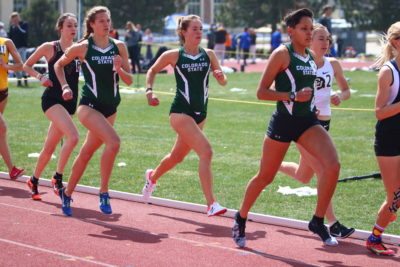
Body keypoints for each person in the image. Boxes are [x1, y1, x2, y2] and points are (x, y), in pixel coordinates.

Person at [232, 8, 340, 248]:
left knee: (332, 166)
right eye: (304, 29)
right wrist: (292, 95)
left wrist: (311, 104)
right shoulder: (282, 54)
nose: (309, 33)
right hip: (283, 122)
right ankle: (241, 216)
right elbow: (261, 92)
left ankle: (318, 220)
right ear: (290, 31)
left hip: (306, 123)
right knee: (265, 177)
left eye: (311, 29)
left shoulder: (311, 57)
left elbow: (308, 91)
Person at [142, 15, 228, 217]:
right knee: (206, 152)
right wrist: (149, 91)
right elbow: (152, 70)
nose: (199, 33)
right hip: (180, 112)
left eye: (201, 29)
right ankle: (211, 204)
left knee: (177, 157)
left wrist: (221, 77)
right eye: (195, 29)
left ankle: (152, 177)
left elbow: (223, 81)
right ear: (184, 32)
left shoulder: (209, 54)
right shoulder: (174, 55)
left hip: (201, 114)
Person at [54, 6, 132, 216]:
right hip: (89, 106)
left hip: (111, 107)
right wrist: (65, 86)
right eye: (101, 21)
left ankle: (67, 192)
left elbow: (130, 80)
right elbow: (58, 66)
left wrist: (119, 69)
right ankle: (104, 192)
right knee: (114, 142)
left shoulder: (119, 46)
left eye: (108, 20)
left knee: (87, 152)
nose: (106, 24)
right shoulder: (82, 47)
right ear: (91, 24)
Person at [279, 23, 353, 239]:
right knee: (323, 171)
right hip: (306, 124)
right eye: (320, 38)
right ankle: (332, 223)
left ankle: (272, 166)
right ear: (309, 40)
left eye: (327, 39)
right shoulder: (303, 65)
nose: (325, 43)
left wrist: (340, 96)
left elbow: (346, 90)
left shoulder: (334, 64)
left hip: (325, 124)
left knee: (304, 175)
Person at [23, 13, 79, 201]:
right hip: (52, 100)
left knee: (49, 148)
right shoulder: (50, 47)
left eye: (75, 26)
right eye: (69, 25)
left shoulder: (79, 49)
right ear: (60, 28)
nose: (73, 29)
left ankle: (33, 180)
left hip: (69, 102)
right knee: (73, 137)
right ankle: (58, 178)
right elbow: (27, 65)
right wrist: (41, 77)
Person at [365, 21, 400, 256]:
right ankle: (374, 237)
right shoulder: (388, 72)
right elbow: (379, 111)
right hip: (389, 141)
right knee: (395, 197)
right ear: (396, 42)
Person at [0, 37, 24, 180]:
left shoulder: (6, 42)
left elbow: (21, 65)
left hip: (3, 91)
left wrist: (6, 66)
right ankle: (12, 169)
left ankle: (12, 170)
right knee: (2, 127)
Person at [8, 12, 28, 87]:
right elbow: (9, 38)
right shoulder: (11, 27)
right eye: (13, 19)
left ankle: (25, 77)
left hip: (22, 47)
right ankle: (19, 80)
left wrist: (18, 26)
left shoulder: (24, 24)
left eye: (16, 18)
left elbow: (24, 33)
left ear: (19, 18)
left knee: (23, 62)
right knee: (15, 64)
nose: (15, 20)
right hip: (14, 49)